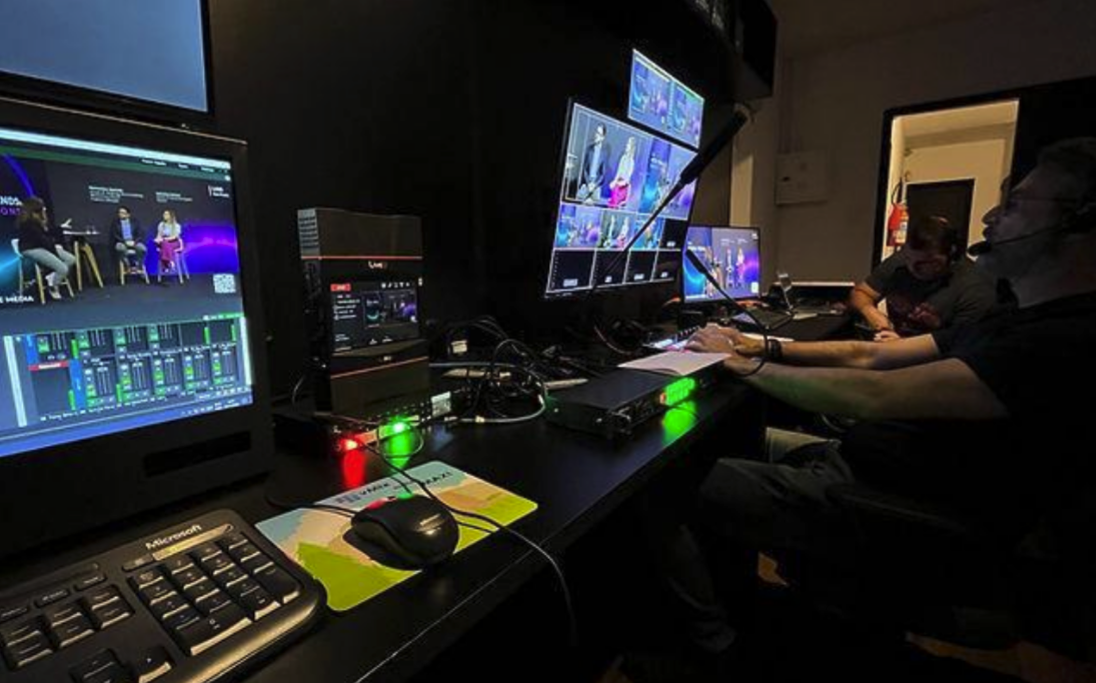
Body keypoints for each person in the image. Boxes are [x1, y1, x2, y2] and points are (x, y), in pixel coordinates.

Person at [631, 139, 1096, 681]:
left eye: (1015, 205)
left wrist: (741, 365)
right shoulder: (1015, 319)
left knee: (660, 484)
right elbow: (870, 354)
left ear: (1079, 223)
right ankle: (739, 597)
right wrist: (760, 345)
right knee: (734, 437)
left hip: (885, 501)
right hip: (871, 465)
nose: (991, 218)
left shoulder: (1062, 343)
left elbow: (873, 393)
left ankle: (715, 649)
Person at [849, 215, 999, 341]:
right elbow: (861, 293)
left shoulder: (975, 288)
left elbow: (959, 349)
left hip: (937, 360)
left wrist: (901, 345)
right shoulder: (901, 262)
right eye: (908, 258)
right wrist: (871, 313)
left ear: (951, 254)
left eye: (926, 262)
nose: (913, 268)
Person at [15, 196, 77, 301]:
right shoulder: (27, 223)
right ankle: (52, 286)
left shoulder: (38, 221)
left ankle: (51, 277)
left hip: (43, 246)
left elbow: (47, 233)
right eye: (42, 207)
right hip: (31, 249)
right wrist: (55, 250)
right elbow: (41, 239)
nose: (44, 209)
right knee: (62, 268)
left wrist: (61, 227)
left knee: (71, 259)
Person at [578, 124, 611, 204]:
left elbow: (603, 174)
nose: (596, 135)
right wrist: (588, 183)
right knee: (578, 198)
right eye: (596, 132)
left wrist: (594, 185)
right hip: (587, 182)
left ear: (603, 137)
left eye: (599, 134)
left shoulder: (605, 152)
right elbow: (585, 169)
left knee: (595, 204)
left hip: (596, 185)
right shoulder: (589, 149)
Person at [109, 206, 147, 272]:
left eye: (123, 213)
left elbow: (140, 234)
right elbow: (115, 235)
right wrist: (124, 242)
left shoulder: (135, 222)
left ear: (128, 214)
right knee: (120, 248)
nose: (121, 214)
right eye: (120, 213)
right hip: (122, 242)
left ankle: (138, 266)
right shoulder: (115, 223)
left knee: (142, 248)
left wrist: (135, 242)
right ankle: (127, 265)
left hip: (134, 242)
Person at [608, 137, 638, 208]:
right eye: (627, 144)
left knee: (616, 191)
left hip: (624, 187)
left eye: (628, 144)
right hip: (618, 184)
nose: (626, 146)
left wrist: (618, 184)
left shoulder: (631, 162)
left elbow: (627, 180)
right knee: (612, 187)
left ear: (632, 147)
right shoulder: (623, 158)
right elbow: (618, 173)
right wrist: (614, 182)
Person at [155, 209, 184, 274]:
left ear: (170, 216)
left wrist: (165, 239)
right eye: (164, 214)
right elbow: (159, 235)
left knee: (165, 244)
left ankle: (165, 266)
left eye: (166, 214)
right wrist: (157, 239)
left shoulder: (177, 225)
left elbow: (175, 237)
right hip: (163, 243)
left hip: (174, 242)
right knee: (164, 244)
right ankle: (171, 261)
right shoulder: (161, 224)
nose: (164, 215)